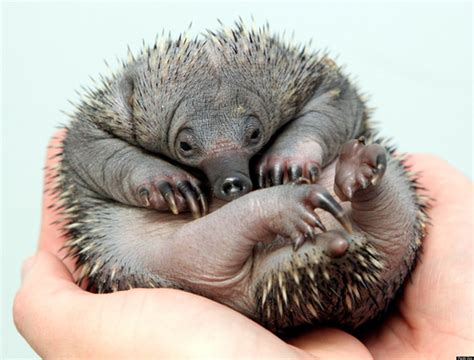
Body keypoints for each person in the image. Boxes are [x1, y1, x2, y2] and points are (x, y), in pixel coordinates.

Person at [13, 132, 473, 358]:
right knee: (148, 247)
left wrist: (302, 145)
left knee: (367, 174)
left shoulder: (298, 87)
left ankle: (353, 196)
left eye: (250, 134)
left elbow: (327, 109)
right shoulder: (105, 132)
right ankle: (340, 202)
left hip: (235, 278)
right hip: (212, 279)